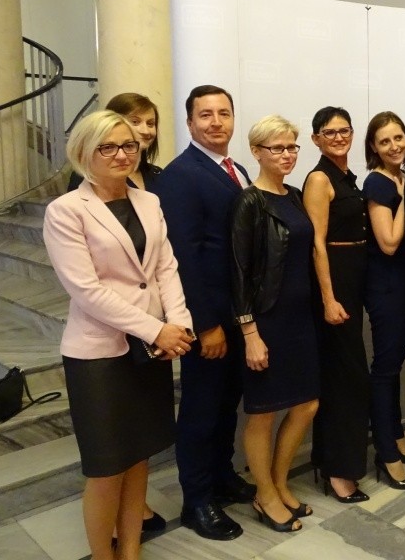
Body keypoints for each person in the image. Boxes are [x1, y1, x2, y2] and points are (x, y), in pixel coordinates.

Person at [43, 111, 194, 560]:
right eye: (107, 147)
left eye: (129, 145)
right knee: (107, 468)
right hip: (99, 354)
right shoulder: (67, 210)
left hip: (149, 350)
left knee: (139, 457)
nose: (121, 154)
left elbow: (165, 267)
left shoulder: (148, 201)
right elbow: (86, 290)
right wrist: (157, 329)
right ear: (84, 152)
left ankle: (130, 549)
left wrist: (179, 323)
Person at [154, 85, 255, 541]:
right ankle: (196, 500)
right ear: (190, 122)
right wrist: (207, 324)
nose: (216, 122)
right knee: (200, 410)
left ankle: (221, 477)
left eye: (224, 113)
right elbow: (184, 258)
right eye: (206, 114)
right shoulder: (180, 175)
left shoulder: (237, 170)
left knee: (227, 403)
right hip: (209, 318)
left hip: (239, 314)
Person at [230, 116, 321, 532]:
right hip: (266, 321)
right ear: (256, 152)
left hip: (300, 319)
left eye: (291, 147)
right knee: (263, 413)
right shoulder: (249, 201)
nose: (286, 155)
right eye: (277, 148)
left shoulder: (295, 195)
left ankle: (280, 484)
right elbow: (238, 271)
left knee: (306, 404)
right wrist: (250, 333)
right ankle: (264, 494)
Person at [303, 106, 371, 503]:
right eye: (329, 133)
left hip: (353, 279)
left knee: (346, 377)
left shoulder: (347, 176)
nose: (339, 137)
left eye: (344, 130)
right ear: (316, 139)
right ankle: (337, 470)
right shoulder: (319, 179)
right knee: (344, 379)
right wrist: (329, 299)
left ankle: (334, 462)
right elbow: (317, 244)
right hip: (335, 285)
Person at [362, 111, 405, 490]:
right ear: (373, 146)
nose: (394, 146)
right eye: (384, 141)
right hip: (385, 287)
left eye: (398, 137)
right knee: (385, 369)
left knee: (394, 363)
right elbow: (388, 242)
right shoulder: (377, 182)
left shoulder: (401, 177)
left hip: (404, 284)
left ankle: (397, 439)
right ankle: (386, 455)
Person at [68, 92, 163, 194]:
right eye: (135, 122)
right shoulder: (87, 176)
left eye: (150, 124)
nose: (145, 131)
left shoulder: (156, 173)